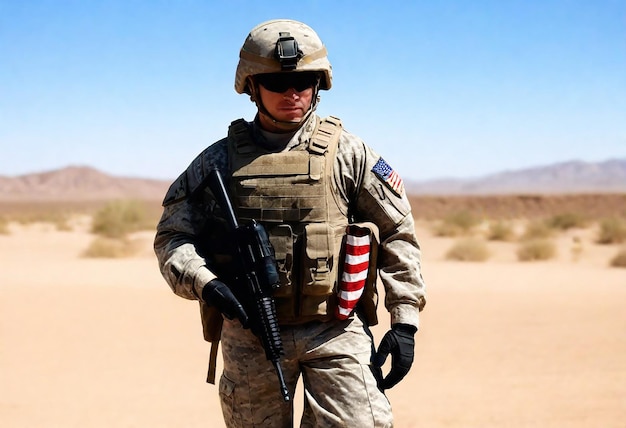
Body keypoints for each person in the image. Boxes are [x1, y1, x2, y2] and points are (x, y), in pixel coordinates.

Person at [154, 19, 426, 428]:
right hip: (251, 332)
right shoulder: (218, 161)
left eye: (303, 80)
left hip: (335, 329)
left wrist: (404, 321)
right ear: (251, 86)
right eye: (277, 83)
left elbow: (397, 233)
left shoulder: (347, 153)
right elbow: (173, 238)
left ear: (319, 83)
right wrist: (207, 283)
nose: (292, 93)